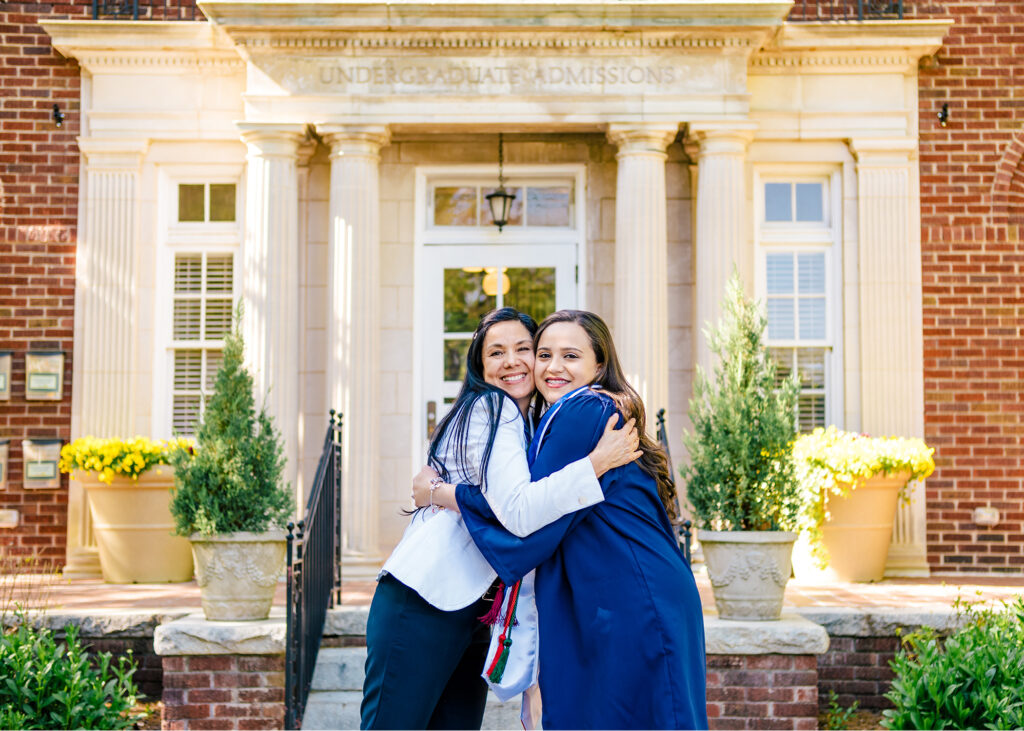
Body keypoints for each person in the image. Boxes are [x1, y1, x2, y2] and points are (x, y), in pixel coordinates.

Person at [420, 310, 708, 730]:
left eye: (570, 356)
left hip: (631, 599)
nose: (553, 368)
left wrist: (445, 495)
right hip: (619, 592)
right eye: (544, 354)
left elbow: (525, 526)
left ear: (599, 365)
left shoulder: (583, 412)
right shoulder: (567, 414)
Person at [360, 307, 641, 730]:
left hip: (472, 608)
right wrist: (595, 465)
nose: (511, 361)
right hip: (422, 600)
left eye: (523, 349)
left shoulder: (533, 422)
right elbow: (518, 511)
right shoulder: (493, 407)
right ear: (481, 365)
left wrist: (440, 492)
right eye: (496, 352)